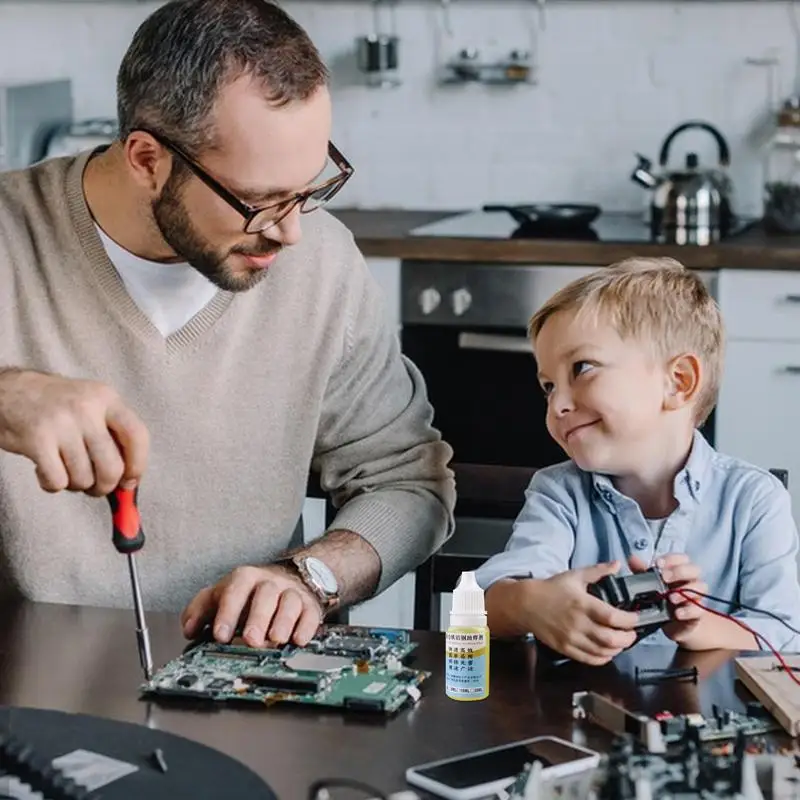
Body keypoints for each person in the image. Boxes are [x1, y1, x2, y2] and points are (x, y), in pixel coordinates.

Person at [0, 0, 454, 648]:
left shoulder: (321, 266)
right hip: (24, 691)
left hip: (247, 690)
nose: (291, 231)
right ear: (147, 158)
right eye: (258, 200)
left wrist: (310, 578)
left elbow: (408, 481)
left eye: (308, 189)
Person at [476, 257, 800, 664]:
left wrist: (698, 624)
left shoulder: (753, 499)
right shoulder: (558, 493)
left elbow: (784, 636)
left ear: (678, 382)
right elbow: (481, 609)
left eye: (583, 368)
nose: (557, 404)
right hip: (576, 719)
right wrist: (530, 605)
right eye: (548, 386)